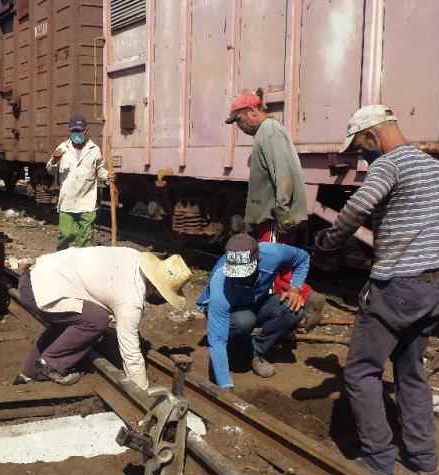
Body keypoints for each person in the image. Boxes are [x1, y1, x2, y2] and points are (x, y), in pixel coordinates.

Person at [315, 105, 439, 475]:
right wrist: (427, 251)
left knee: (361, 373)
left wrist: (329, 241)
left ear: (373, 135)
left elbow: (356, 208)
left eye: (361, 145)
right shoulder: (437, 168)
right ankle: (423, 457)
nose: (362, 153)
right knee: (411, 373)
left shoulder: (388, 164)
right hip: (432, 287)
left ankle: (379, 459)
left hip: (394, 287)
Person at [15, 247, 192, 389]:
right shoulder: (130, 299)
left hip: (38, 274)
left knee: (74, 319)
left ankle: (28, 373)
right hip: (39, 291)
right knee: (96, 320)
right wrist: (141, 390)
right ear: (155, 288)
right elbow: (130, 352)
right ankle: (50, 364)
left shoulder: (132, 256)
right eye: (163, 296)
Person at [225, 91, 325, 330]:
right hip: (271, 214)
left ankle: (306, 301)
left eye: (239, 120)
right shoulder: (268, 132)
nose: (239, 126)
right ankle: (299, 304)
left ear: (252, 111)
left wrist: (281, 209)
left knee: (270, 262)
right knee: (278, 264)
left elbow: (283, 172)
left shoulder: (269, 131)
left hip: (272, 215)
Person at [197, 234, 309, 386]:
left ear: (258, 260)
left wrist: (295, 288)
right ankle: (234, 348)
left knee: (293, 311)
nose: (241, 279)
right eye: (236, 274)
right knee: (244, 321)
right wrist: (224, 385)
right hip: (230, 309)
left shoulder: (274, 254)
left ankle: (254, 351)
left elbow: (303, 258)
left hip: (255, 301)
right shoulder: (220, 281)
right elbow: (217, 340)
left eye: (245, 273)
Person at [46, 116, 115, 250]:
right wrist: (54, 160)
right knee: (66, 234)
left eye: (80, 131)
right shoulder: (62, 148)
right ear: (69, 131)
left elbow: (99, 170)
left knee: (86, 238)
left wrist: (108, 175)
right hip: (67, 201)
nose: (77, 134)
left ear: (86, 130)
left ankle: (85, 265)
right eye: (74, 131)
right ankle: (62, 258)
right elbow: (50, 170)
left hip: (87, 201)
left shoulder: (94, 149)